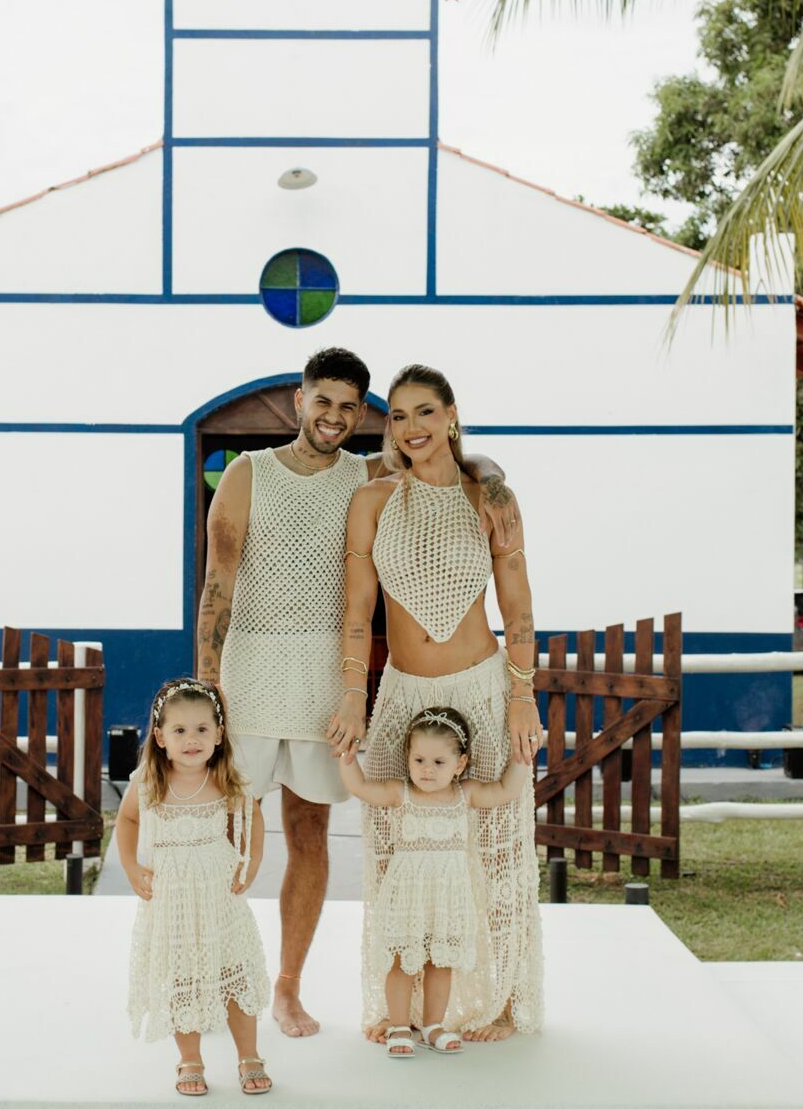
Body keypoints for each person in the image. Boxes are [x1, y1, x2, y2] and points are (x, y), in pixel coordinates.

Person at [196, 346, 519, 1038]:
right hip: (248, 674)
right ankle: (214, 977)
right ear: (298, 402)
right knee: (226, 834)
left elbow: (451, 464)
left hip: (324, 683)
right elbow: (217, 584)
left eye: (349, 406)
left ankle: (285, 988)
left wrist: (492, 475)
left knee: (309, 833)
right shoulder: (247, 474)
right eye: (323, 402)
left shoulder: (370, 476)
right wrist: (206, 690)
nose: (334, 417)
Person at [330, 363, 544, 1043]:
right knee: (399, 854)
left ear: (451, 414)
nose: (410, 427)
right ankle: (405, 1008)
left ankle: (502, 1001)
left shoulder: (489, 493)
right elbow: (358, 613)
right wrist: (351, 695)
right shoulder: (372, 499)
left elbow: (517, 604)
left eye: (423, 411)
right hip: (402, 697)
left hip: (481, 688)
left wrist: (520, 698)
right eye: (396, 415)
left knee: (495, 845)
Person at [339, 705, 529, 1058]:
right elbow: (362, 788)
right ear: (408, 759)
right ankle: (398, 1025)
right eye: (419, 760)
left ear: (459, 764)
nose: (427, 770)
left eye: (439, 763)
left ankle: (433, 1025)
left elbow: (504, 791)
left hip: (447, 895)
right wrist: (347, 757)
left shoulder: (465, 794)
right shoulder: (402, 793)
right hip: (408, 895)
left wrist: (522, 756)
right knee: (402, 961)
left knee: (440, 962)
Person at [118, 677, 273, 1096]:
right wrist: (131, 866)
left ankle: (249, 1055)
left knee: (233, 970)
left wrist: (252, 860)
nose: (192, 740)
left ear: (219, 735)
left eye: (202, 730)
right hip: (173, 897)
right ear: (160, 737)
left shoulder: (225, 779)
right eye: (180, 730)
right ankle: (190, 1059)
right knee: (183, 977)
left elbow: (253, 819)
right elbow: (128, 821)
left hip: (217, 891)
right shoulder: (150, 781)